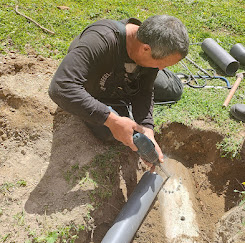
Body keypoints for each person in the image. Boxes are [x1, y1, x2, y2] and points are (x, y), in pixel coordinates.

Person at [49, 15, 189, 169]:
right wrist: (111, 119)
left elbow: (144, 90)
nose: (161, 69)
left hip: (129, 73)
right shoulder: (101, 40)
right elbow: (60, 87)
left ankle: (130, 77)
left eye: (164, 65)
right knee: (110, 133)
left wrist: (147, 127)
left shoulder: (149, 50)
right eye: (161, 64)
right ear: (145, 48)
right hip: (97, 87)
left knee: (175, 90)